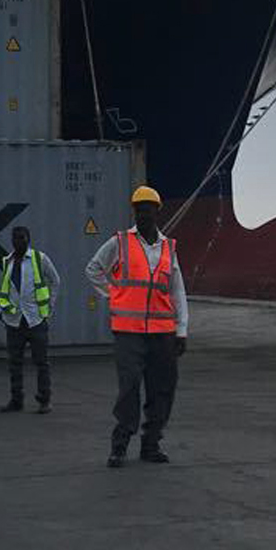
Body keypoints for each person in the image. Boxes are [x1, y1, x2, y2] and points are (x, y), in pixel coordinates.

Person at [86, 185, 188, 468]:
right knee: (129, 388)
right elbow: (93, 268)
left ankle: (151, 444)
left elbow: (178, 290)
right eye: (139, 209)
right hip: (128, 332)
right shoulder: (119, 243)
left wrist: (182, 330)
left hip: (163, 334)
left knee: (163, 389)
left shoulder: (168, 247)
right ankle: (119, 446)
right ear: (134, 211)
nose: (144, 213)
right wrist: (113, 293)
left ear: (158, 210)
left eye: (148, 208)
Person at [0, 224, 56, 414]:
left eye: (21, 238)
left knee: (42, 361)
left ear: (28, 239)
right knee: (14, 362)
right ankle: (16, 400)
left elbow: (55, 281)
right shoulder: (8, 261)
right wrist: (2, 311)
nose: (18, 241)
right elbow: (6, 288)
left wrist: (48, 308)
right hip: (14, 319)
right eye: (15, 238)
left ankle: (44, 399)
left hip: (35, 319)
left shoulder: (40, 259)